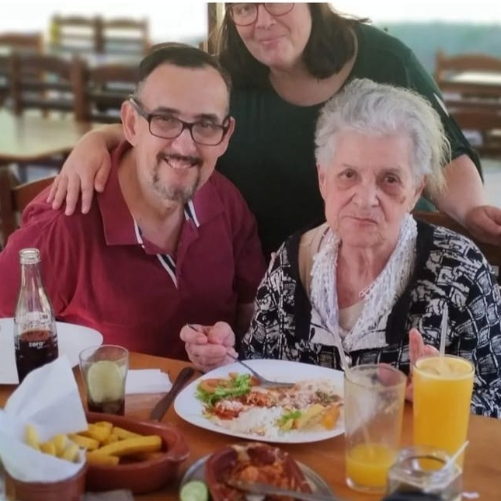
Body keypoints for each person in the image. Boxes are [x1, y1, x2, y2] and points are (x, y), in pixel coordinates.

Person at [47, 3, 501, 258]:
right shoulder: (227, 74)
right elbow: (172, 127)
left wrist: (471, 210)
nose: (262, 21)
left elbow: (442, 149)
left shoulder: (386, 60)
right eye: (245, 7)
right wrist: (97, 139)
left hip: (377, 263)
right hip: (267, 279)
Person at [181, 79, 501, 417]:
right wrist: (224, 358)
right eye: (348, 174)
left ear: (416, 190)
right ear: (323, 179)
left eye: (390, 179)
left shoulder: (460, 271)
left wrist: (442, 396)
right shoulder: (290, 264)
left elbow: (495, 401)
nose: (365, 199)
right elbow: (259, 375)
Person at [0, 44, 265, 359]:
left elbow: (253, 319)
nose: (184, 146)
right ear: (130, 124)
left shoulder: (228, 202)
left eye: (206, 125)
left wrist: (229, 348)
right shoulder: (62, 227)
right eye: (165, 119)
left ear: (225, 135)